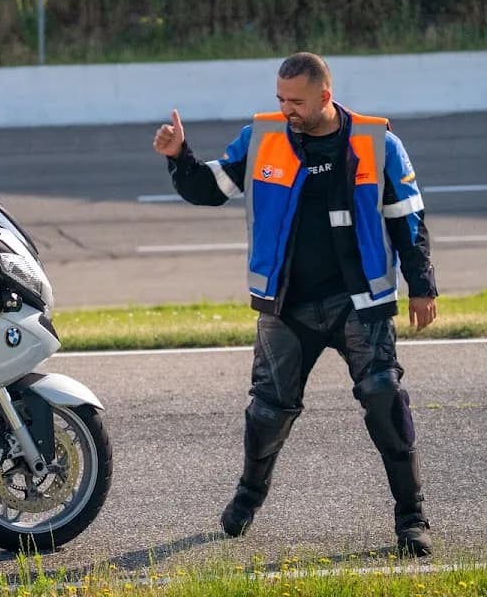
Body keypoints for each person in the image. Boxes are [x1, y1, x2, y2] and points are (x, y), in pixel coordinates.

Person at [152, 51, 438, 556]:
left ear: (325, 96)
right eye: (281, 99)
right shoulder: (261, 138)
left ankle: (412, 519)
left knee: (383, 398)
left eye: (298, 101)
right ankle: (248, 495)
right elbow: (210, 189)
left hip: (360, 303)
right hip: (286, 306)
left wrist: (422, 285)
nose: (288, 110)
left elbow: (406, 219)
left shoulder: (378, 143)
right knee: (268, 411)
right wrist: (180, 157)